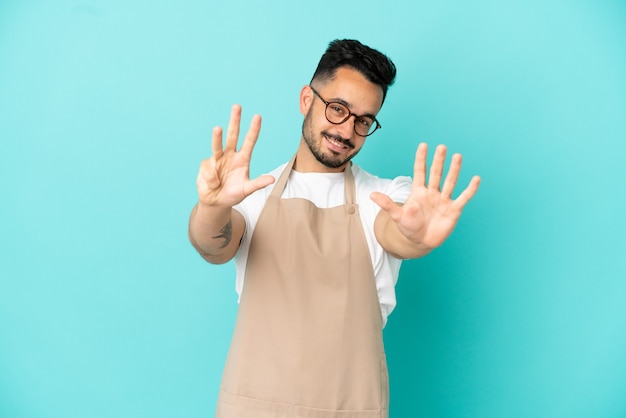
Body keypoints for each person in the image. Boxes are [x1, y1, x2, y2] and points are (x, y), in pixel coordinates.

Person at [188, 39, 480, 418]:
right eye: (338, 109)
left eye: (364, 120)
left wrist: (415, 236)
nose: (347, 130)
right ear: (307, 100)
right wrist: (213, 206)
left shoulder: (386, 195)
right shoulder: (251, 193)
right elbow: (213, 246)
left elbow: (396, 231)